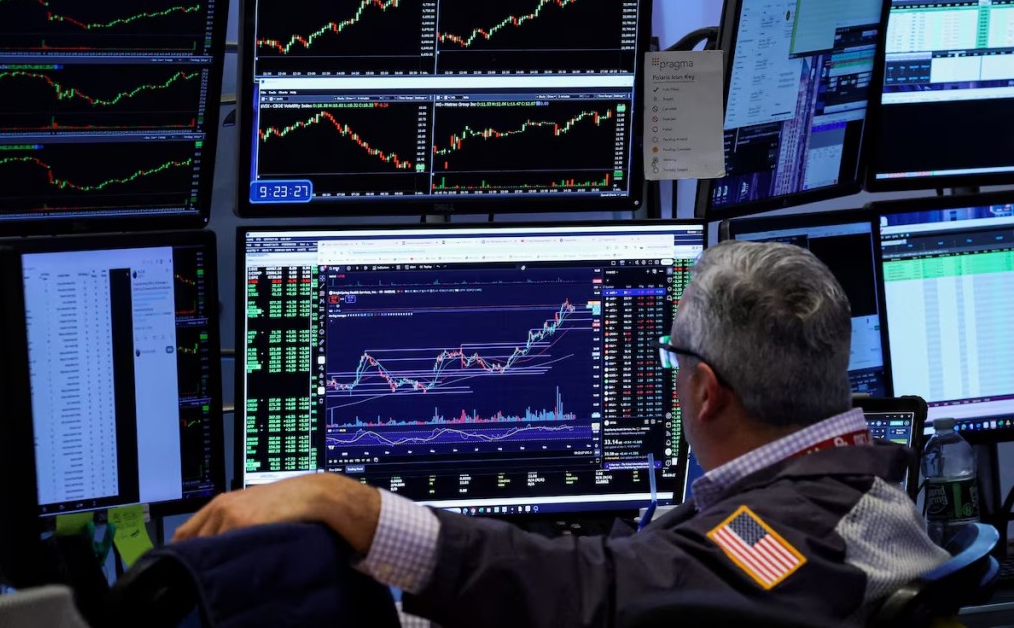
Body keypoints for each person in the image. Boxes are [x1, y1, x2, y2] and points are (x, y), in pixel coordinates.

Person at [174, 241, 948, 627]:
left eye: (675, 366)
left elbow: (615, 593)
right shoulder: (849, 492)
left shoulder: (804, 535)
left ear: (705, 392)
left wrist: (359, 507)